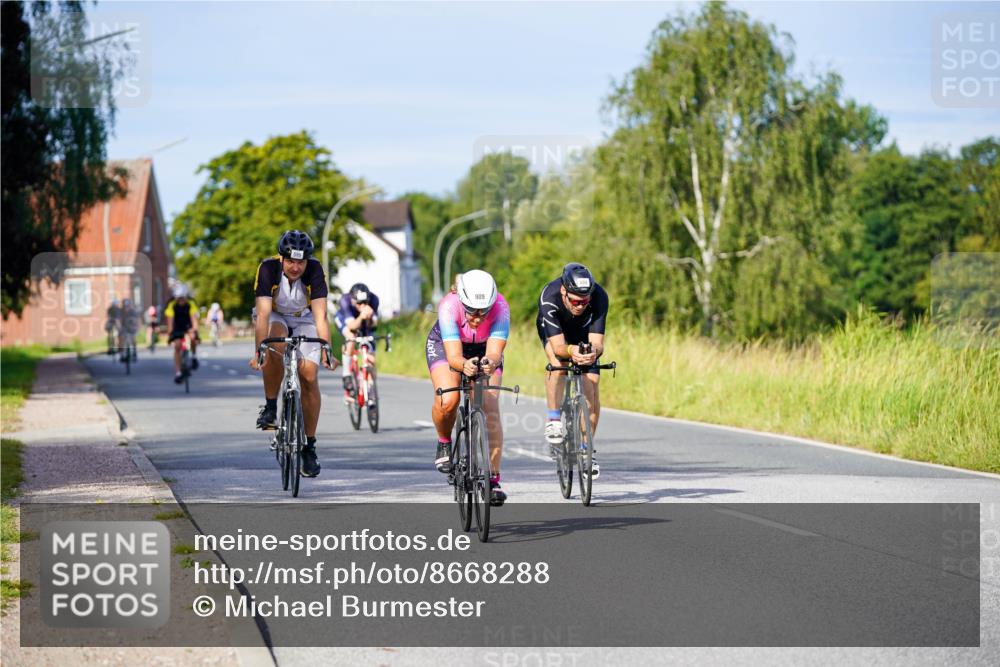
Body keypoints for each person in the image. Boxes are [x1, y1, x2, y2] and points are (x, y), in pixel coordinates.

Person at [249, 230, 333, 478]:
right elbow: (263, 314)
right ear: (281, 258)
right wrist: (259, 350)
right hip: (275, 316)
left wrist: (327, 349)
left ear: (307, 261)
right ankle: (270, 406)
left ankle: (309, 447)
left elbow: (321, 316)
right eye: (290, 262)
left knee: (309, 376)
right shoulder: (268, 268)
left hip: (305, 318)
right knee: (275, 344)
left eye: (301, 262)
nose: (296, 267)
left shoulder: (315, 270)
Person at [425, 269, 511, 505]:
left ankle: (493, 479)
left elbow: (495, 352)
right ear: (462, 301)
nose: (478, 317)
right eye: (471, 310)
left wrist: (489, 362)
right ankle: (444, 441)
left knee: (490, 407)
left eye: (484, 311)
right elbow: (454, 357)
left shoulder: (501, 307)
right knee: (448, 400)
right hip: (447, 348)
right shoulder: (448, 306)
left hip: (484, 350)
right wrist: (464, 365)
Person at [536, 263, 609, 479]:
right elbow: (559, 347)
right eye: (576, 301)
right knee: (559, 365)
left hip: (583, 334)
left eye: (585, 302)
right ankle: (554, 419)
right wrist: (571, 351)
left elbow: (598, 343)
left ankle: (587, 450)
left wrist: (591, 353)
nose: (580, 306)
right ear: (564, 292)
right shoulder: (549, 297)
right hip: (557, 334)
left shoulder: (599, 297)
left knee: (592, 385)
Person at [333, 283, 380, 399]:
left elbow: (373, 326)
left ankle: (370, 389)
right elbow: (352, 326)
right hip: (344, 320)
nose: (362, 305)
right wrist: (361, 316)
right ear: (353, 301)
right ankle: (347, 374)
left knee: (371, 355)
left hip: (363, 322)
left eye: (365, 302)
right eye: (359, 303)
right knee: (351, 336)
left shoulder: (374, 300)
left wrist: (370, 317)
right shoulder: (345, 301)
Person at [164, 286, 200, 383]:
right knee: (177, 346)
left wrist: (194, 329)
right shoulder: (171, 305)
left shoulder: (191, 304)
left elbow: (194, 319)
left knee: (193, 338)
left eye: (183, 298)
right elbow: (170, 321)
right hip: (177, 327)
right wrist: (170, 333)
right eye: (179, 299)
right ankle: (178, 372)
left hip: (188, 325)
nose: (181, 301)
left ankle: (194, 356)